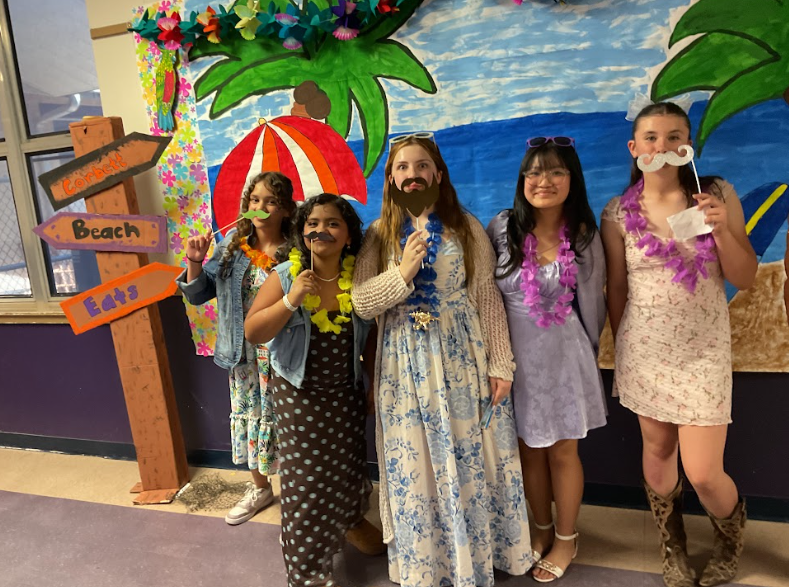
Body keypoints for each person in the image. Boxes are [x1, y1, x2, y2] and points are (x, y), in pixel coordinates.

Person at [352, 134, 533, 587]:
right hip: (403, 366)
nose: (412, 175)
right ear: (391, 179)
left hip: (463, 357)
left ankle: (481, 555)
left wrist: (501, 365)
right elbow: (361, 302)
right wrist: (403, 272)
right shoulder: (377, 235)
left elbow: (488, 298)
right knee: (415, 461)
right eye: (402, 168)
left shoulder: (466, 228)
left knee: (475, 454)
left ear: (437, 173)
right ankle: (427, 563)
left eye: (421, 166)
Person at [601, 102, 757, 587]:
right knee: (658, 450)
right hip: (645, 350)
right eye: (651, 137)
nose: (662, 146)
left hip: (704, 352)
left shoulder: (717, 194)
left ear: (688, 144)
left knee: (706, 472)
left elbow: (746, 276)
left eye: (673, 136)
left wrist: (722, 228)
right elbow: (618, 288)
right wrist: (620, 347)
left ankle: (730, 542)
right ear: (635, 148)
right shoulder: (617, 213)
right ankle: (673, 546)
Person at [487, 136, 607, 582]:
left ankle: (566, 538)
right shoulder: (501, 228)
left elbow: (592, 305)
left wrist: (588, 359)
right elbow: (485, 295)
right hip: (515, 358)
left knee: (561, 452)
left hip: (563, 355)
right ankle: (538, 530)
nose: (544, 181)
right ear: (522, 180)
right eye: (534, 172)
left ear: (571, 179)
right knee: (527, 452)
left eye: (556, 171)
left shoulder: (583, 236)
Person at [245, 193, 380, 587]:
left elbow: (369, 340)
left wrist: (371, 385)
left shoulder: (359, 279)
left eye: (333, 223)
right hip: (299, 396)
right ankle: (307, 573)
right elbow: (255, 332)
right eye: (313, 224)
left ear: (349, 236)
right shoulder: (285, 275)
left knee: (347, 471)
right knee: (306, 486)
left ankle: (351, 523)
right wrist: (291, 300)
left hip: (346, 394)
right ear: (303, 234)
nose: (322, 230)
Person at [176, 171, 295, 525]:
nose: (261, 207)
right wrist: (195, 262)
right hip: (243, 355)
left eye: (271, 201)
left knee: (286, 422)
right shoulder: (231, 245)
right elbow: (199, 295)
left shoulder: (296, 250)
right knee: (252, 417)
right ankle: (259, 488)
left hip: (283, 354)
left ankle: (296, 490)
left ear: (286, 209)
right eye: (255, 200)